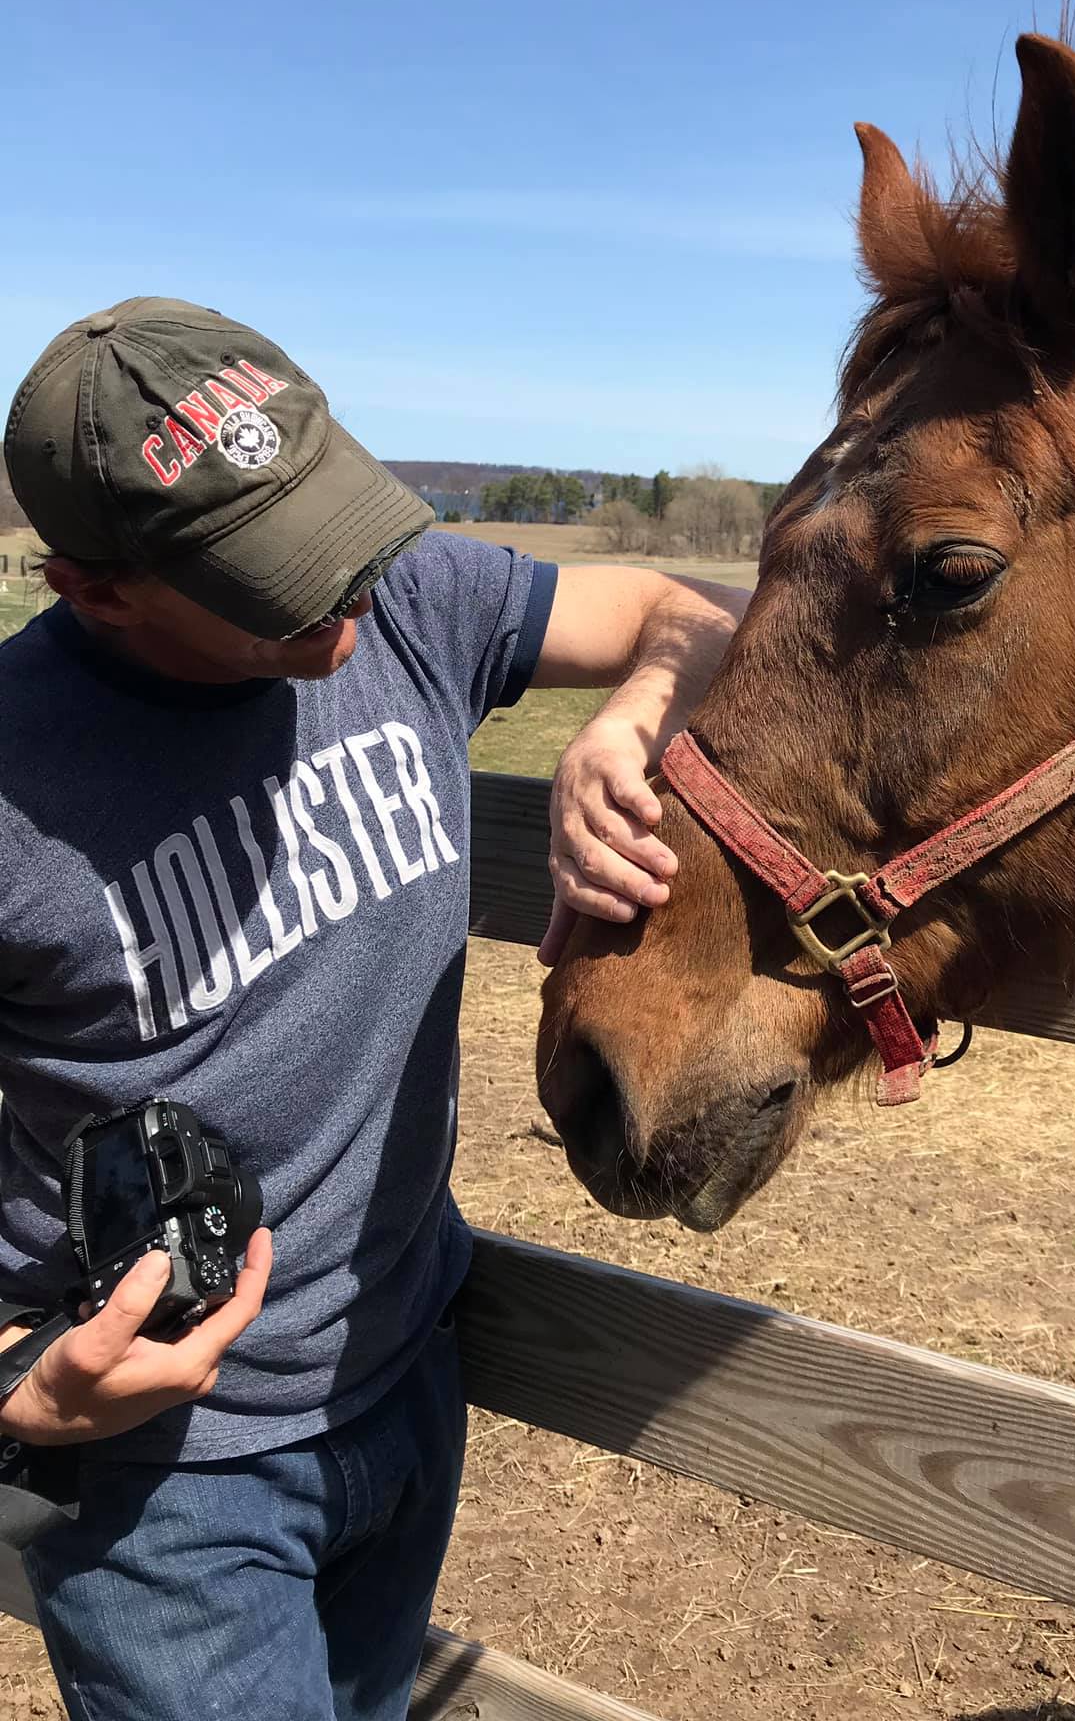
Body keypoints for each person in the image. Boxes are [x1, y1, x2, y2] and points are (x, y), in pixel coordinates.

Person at [0, 298, 748, 1719]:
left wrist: (634, 713)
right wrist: (14, 1394)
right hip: (165, 1485)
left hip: (404, 1374)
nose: (344, 590)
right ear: (97, 589)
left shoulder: (406, 599)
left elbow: (684, 612)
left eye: (331, 521)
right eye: (273, 573)